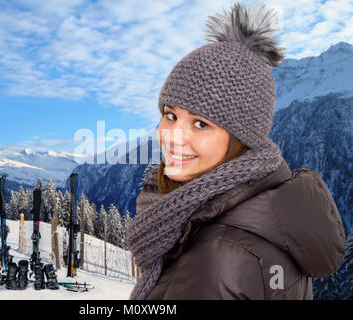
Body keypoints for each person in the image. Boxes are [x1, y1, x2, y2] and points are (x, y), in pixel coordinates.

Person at [126, 2, 345, 300]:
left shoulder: (215, 258)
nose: (174, 138)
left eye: (201, 124)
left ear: (241, 139)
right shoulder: (269, 207)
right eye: (171, 115)